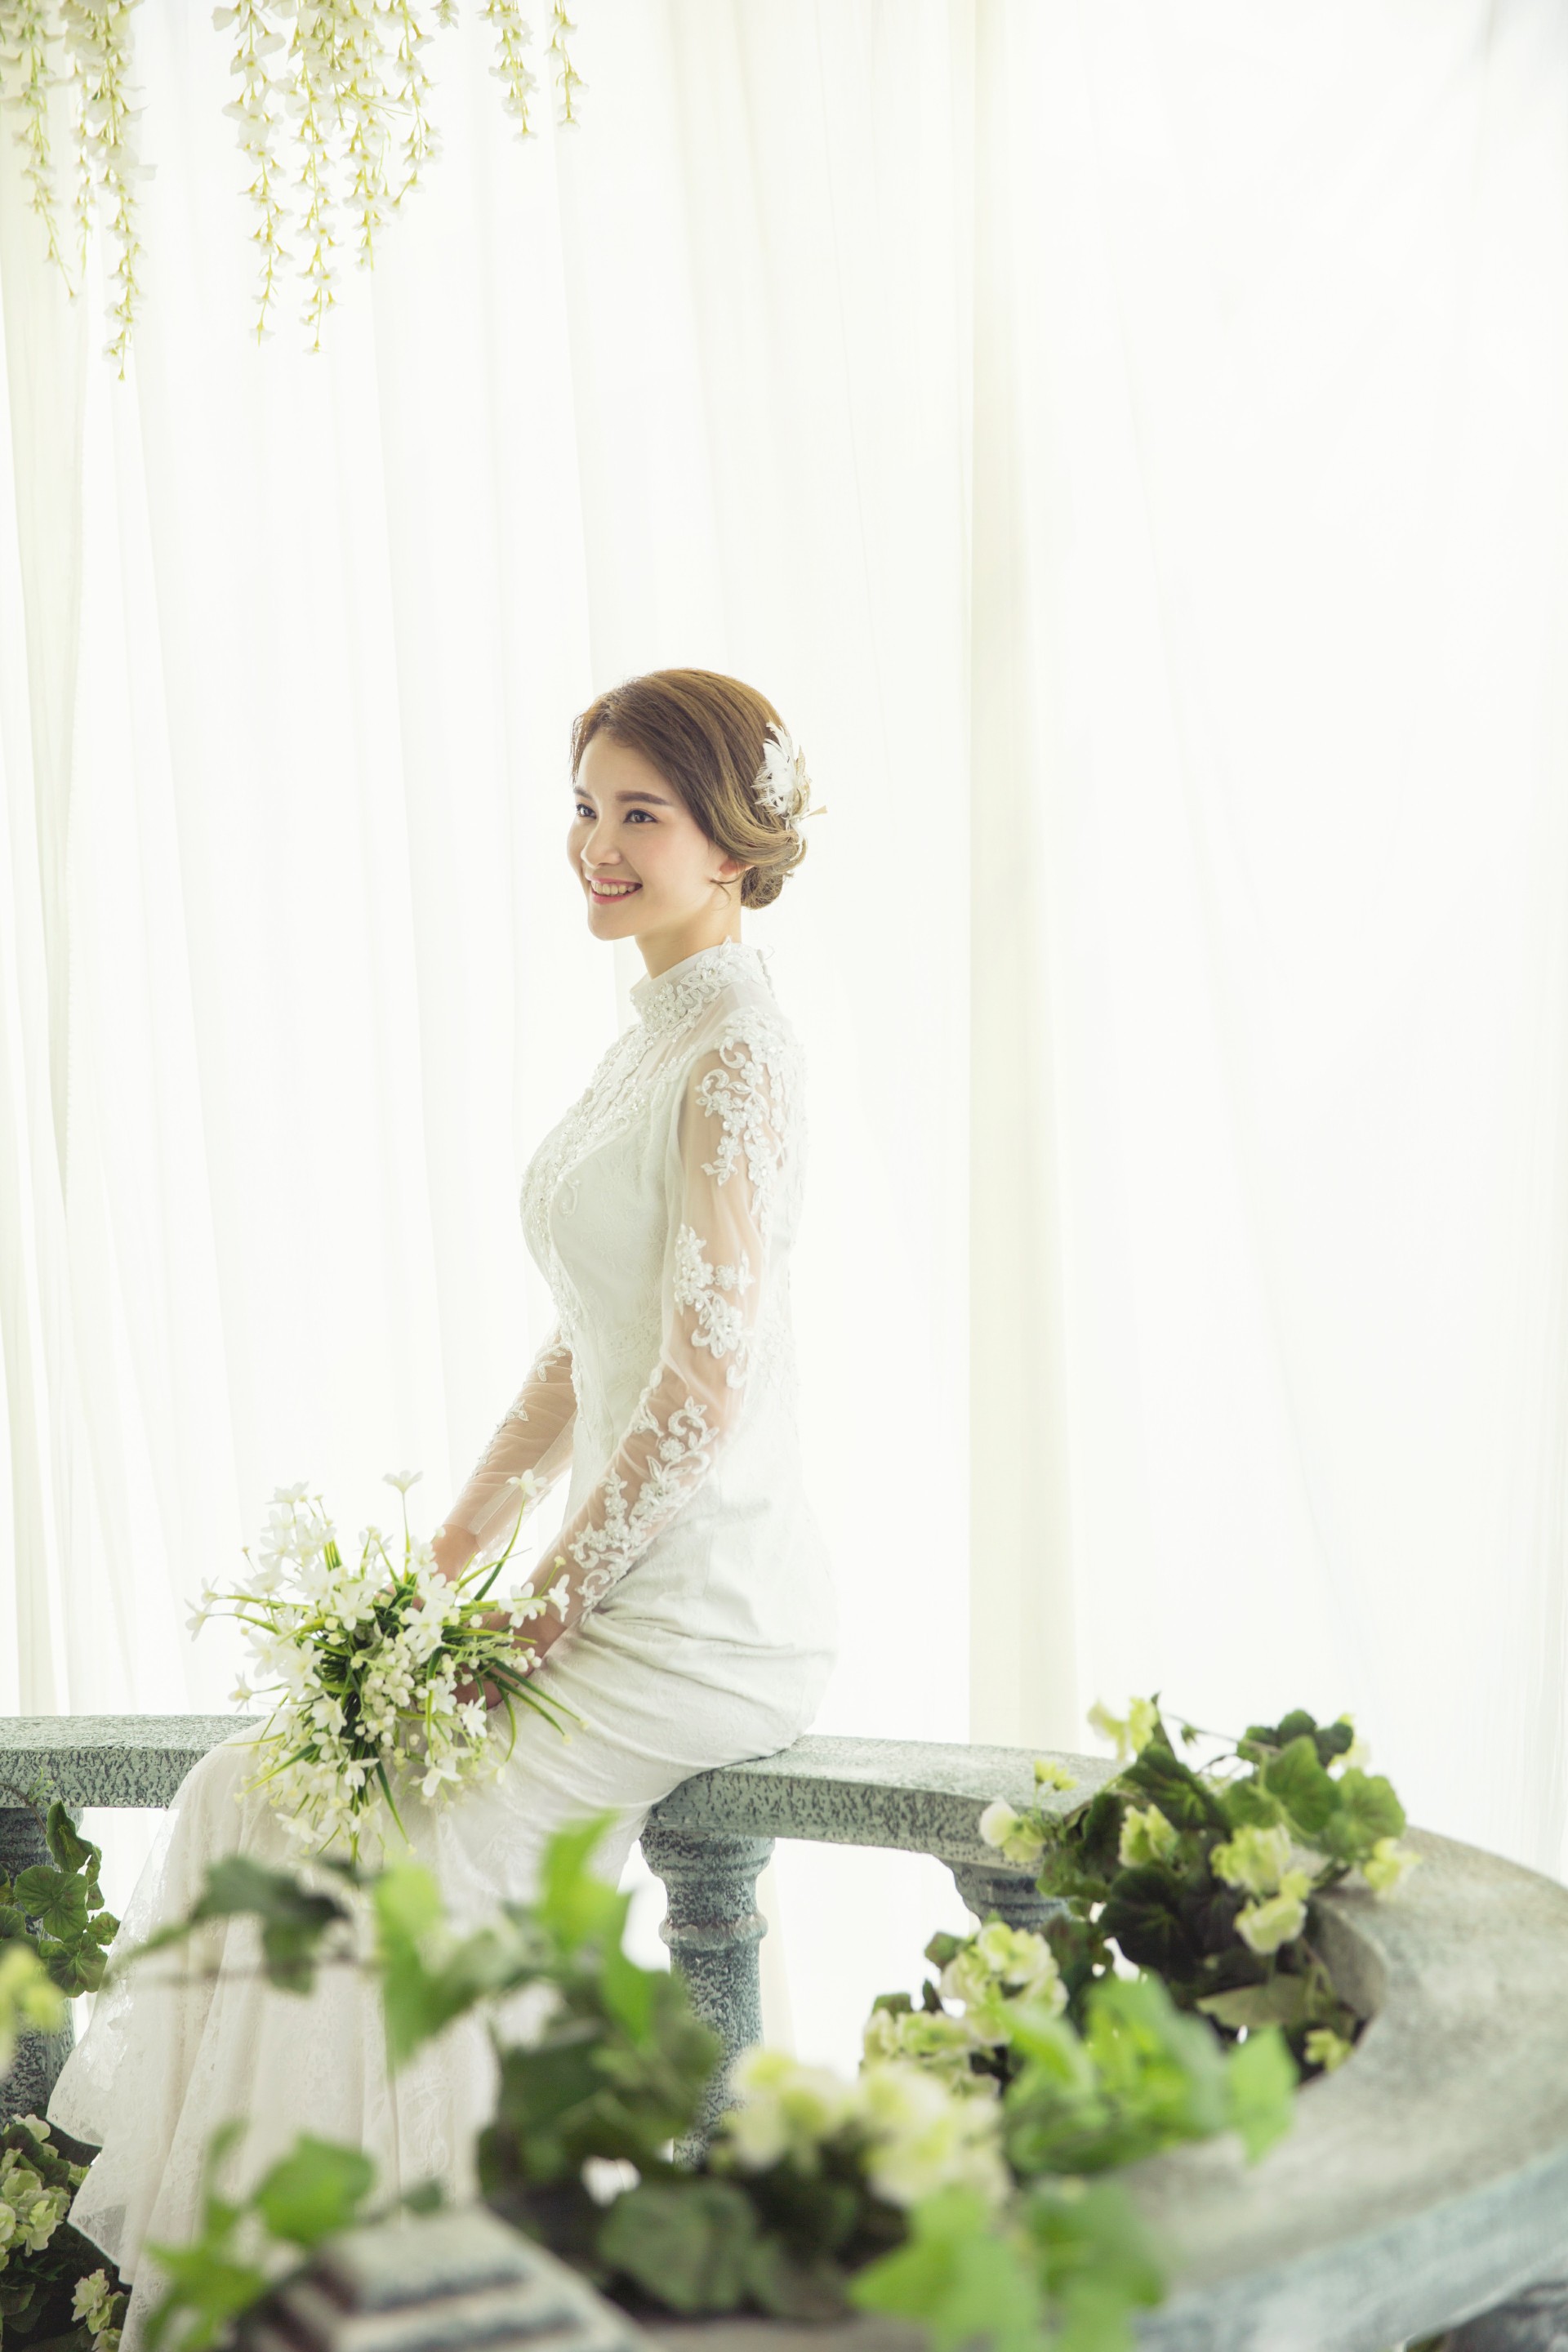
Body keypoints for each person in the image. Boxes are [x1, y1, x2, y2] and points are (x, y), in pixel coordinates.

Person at [47, 667, 838, 2345]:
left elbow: (699, 1382)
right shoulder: (653, 1037)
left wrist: (544, 1609)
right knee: (246, 1793)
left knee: (396, 1860)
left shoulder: (741, 1052)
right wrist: (453, 1551)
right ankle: (256, 2282)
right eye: (586, 806)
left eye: (640, 814)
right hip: (591, 1577)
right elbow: (588, 1333)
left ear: (731, 844)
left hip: (701, 1612)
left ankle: (441, 2297)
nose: (597, 844)